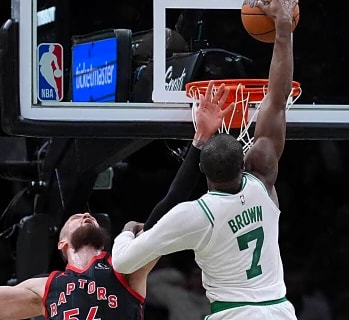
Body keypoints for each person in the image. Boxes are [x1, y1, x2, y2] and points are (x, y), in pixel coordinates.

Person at [0, 82, 232, 320]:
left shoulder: (126, 265)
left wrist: (200, 140)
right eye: (78, 216)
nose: (84, 213)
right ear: (61, 242)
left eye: (87, 216)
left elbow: (168, 205)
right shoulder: (45, 288)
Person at [110, 0, 298, 319]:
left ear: (202, 170)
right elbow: (276, 100)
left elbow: (124, 263)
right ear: (244, 162)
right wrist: (283, 29)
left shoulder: (195, 215)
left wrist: (127, 232)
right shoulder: (261, 182)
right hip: (279, 311)